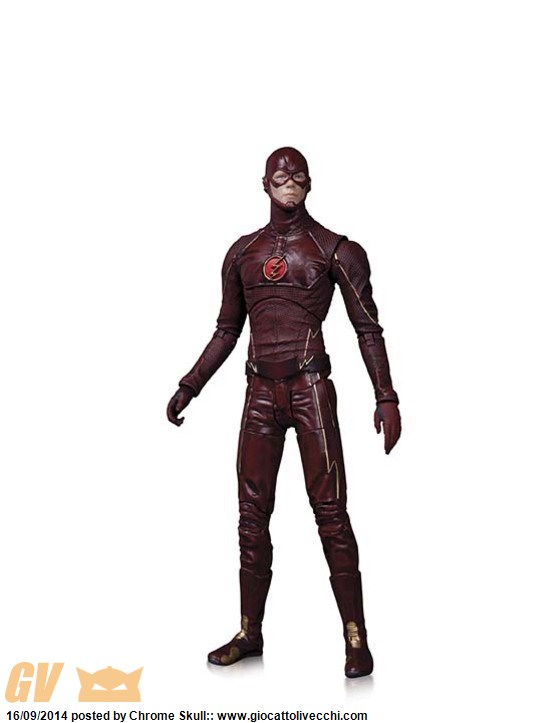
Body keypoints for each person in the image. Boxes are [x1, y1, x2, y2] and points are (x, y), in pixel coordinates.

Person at [167, 147, 401, 678]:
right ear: (264, 183)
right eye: (280, 174)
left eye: (297, 175)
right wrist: (190, 385)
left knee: (331, 513)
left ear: (310, 183)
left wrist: (385, 396)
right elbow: (227, 329)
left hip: (310, 387)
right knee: (251, 517)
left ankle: (356, 637)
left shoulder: (336, 249)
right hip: (258, 393)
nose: (288, 180)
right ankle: (249, 632)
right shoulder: (242, 253)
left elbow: (367, 328)